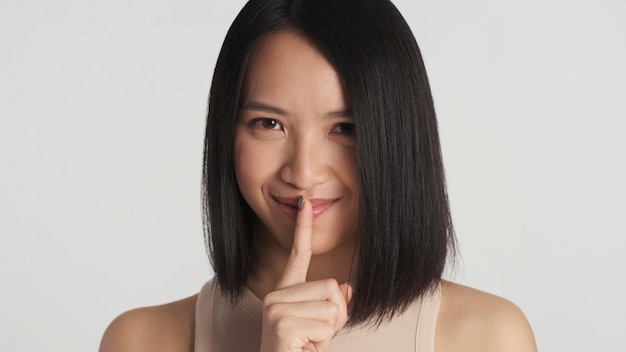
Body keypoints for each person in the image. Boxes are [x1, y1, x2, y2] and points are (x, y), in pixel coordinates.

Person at [100, 0, 537, 351]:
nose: (304, 173)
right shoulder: (142, 340)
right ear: (226, 133)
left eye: (345, 128)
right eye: (269, 124)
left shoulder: (488, 338)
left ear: (399, 139)